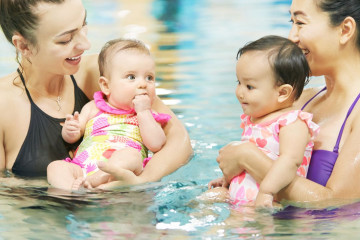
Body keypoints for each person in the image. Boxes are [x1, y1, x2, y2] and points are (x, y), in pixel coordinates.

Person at [0, 0, 192, 185]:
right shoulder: (4, 106)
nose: (86, 44)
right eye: (65, 39)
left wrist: (139, 181)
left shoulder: (103, 73)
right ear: (24, 46)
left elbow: (179, 142)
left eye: (84, 24)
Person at [217, 0, 360, 202]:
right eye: (291, 22)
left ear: (345, 30)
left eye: (300, 23)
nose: (291, 37)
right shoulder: (297, 99)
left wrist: (247, 158)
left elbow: (337, 203)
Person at [208, 35, 320, 207]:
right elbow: (248, 165)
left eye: (249, 86)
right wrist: (227, 180)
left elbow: (289, 162)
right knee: (208, 198)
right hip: (241, 198)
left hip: (269, 201)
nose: (239, 92)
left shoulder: (293, 123)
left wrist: (267, 191)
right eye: (239, 82)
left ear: (282, 93)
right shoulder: (254, 120)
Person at [47, 38, 172, 190]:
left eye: (149, 77)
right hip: (84, 167)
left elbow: (157, 144)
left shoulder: (148, 115)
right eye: (131, 77)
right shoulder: (93, 107)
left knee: (131, 155)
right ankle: (71, 192)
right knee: (55, 167)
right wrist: (70, 130)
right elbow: (74, 135)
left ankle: (100, 177)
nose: (143, 84)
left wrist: (143, 112)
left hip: (121, 173)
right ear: (106, 85)